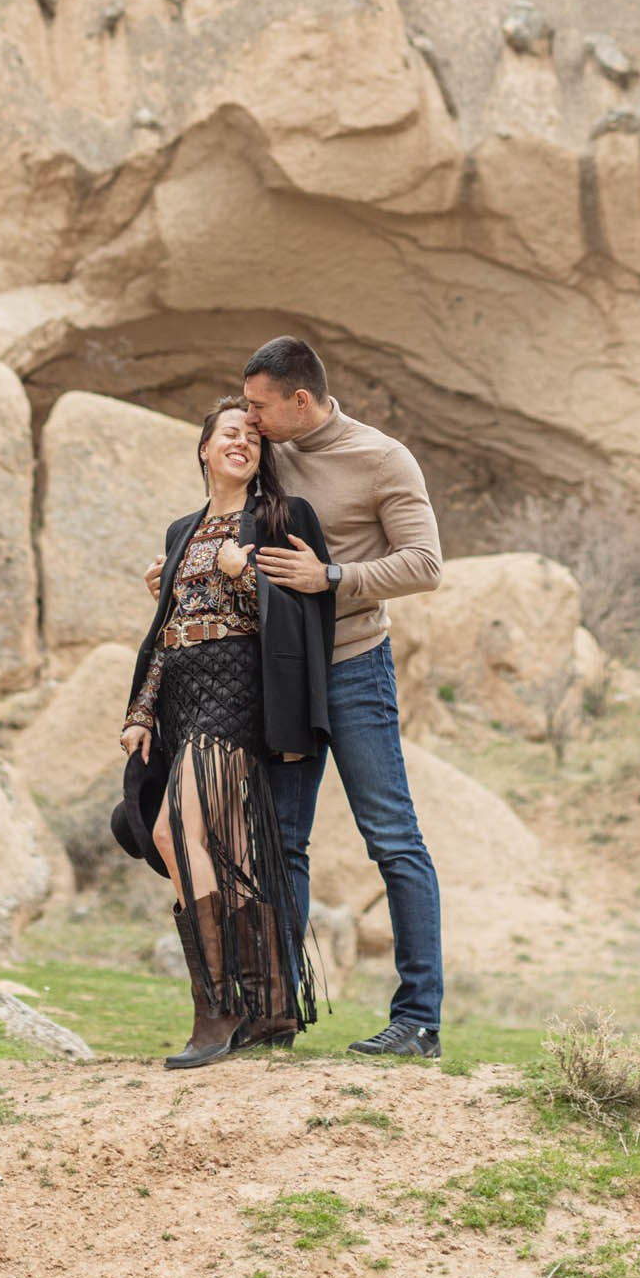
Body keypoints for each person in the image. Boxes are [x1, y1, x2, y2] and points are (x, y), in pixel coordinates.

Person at [241, 335, 446, 1063]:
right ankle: (276, 1013)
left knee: (393, 841)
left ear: (301, 398)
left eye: (260, 405)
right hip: (281, 673)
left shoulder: (382, 459)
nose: (249, 417)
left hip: (355, 667)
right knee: (281, 843)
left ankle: (419, 1021)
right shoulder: (264, 450)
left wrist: (330, 579)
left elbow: (424, 564)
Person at [119, 399, 334, 1069]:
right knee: (227, 852)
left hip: (238, 689)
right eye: (228, 433)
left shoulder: (281, 517)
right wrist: (141, 712)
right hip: (182, 696)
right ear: (205, 447)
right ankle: (268, 1003)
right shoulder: (182, 529)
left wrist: (244, 579)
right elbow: (167, 628)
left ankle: (214, 1011)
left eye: (251, 436)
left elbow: (299, 619)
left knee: (171, 834)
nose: (241, 442)